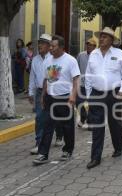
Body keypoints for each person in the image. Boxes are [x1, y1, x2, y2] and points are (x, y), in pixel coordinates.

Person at [85, 27, 122, 169]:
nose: (102, 39)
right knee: (97, 125)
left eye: (105, 37)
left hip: (114, 94)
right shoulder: (93, 54)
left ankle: (118, 147)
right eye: (101, 36)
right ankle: (95, 157)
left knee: (114, 123)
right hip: (96, 94)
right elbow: (88, 76)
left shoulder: (119, 54)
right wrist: (88, 95)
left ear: (111, 40)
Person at [32, 35, 80, 165]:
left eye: (53, 46)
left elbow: (76, 79)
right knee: (47, 126)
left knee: (67, 126)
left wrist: (73, 96)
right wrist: (43, 96)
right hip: (50, 98)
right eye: (51, 46)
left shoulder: (70, 60)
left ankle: (67, 150)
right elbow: (46, 79)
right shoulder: (48, 61)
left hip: (65, 97)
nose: (51, 48)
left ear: (61, 47)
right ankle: (43, 154)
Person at [28, 34, 52, 155]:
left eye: (42, 43)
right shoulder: (35, 59)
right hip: (39, 91)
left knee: (53, 117)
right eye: (39, 43)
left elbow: (54, 78)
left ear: (49, 46)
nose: (40, 45)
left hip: (51, 91)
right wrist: (30, 92)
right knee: (39, 117)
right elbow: (32, 76)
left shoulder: (52, 58)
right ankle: (39, 143)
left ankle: (59, 136)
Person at [76, 38, 97, 127]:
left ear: (94, 47)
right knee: (78, 102)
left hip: (92, 85)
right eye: (87, 44)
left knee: (92, 104)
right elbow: (76, 68)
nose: (88, 46)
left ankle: (90, 122)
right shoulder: (81, 55)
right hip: (81, 84)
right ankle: (83, 116)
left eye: (90, 45)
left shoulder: (97, 56)